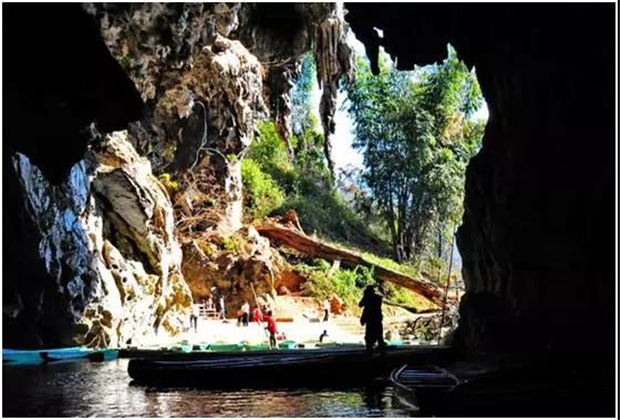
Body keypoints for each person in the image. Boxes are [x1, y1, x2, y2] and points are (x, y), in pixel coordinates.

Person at [359, 285, 386, 355]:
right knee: (379, 336)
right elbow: (361, 305)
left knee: (369, 337)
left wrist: (363, 319)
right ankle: (382, 352)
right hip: (376, 319)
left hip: (371, 319)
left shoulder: (368, 298)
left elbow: (361, 305)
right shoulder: (378, 298)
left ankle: (370, 351)